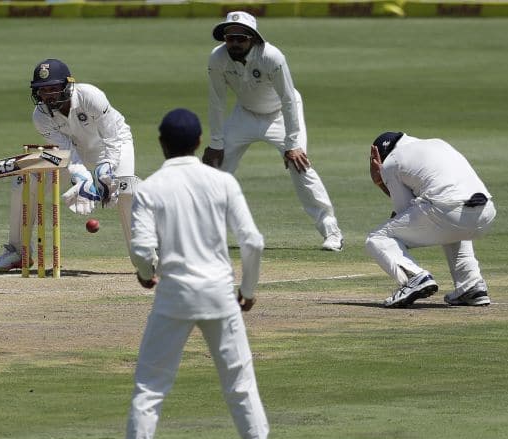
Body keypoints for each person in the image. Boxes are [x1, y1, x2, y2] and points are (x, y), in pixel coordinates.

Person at [107, 109, 284, 439]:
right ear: (200, 141)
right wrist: (249, 289)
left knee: (149, 391)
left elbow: (140, 248)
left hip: (173, 298)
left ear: (162, 143)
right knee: (241, 390)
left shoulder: (150, 188)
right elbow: (252, 241)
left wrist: (144, 271)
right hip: (220, 295)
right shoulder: (221, 182)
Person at [203, 11, 343, 252]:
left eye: (241, 38)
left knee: (300, 167)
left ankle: (332, 232)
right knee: (214, 170)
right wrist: (216, 142)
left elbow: (289, 99)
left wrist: (293, 143)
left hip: (280, 115)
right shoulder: (217, 59)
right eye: (230, 38)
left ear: (253, 38)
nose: (234, 43)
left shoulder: (272, 56)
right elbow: (216, 100)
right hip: (244, 115)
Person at [0, 58, 137, 272]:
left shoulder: (91, 96)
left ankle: (143, 255)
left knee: (125, 192)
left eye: (53, 88)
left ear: (67, 85)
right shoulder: (40, 116)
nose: (48, 95)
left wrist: (106, 170)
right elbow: (67, 153)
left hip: (112, 145)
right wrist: (83, 179)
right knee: (24, 184)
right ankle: (18, 252)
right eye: (42, 90)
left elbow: (112, 139)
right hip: (74, 152)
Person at [367, 131, 496, 308]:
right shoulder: (438, 143)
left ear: (378, 157)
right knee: (450, 225)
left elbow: (403, 210)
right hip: (486, 212)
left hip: (449, 212)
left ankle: (415, 277)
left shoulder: (391, 162)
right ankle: (471, 286)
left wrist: (380, 182)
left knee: (378, 238)